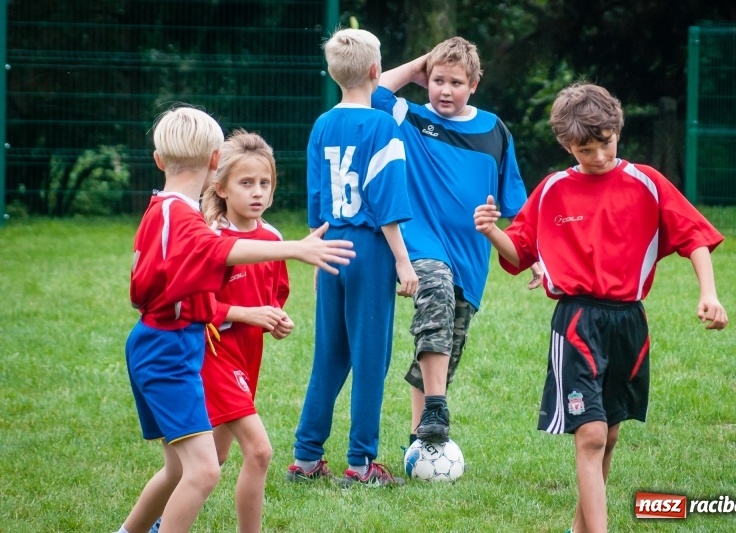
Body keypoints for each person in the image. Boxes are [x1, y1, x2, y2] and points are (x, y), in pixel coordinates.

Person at [474, 82, 729, 533]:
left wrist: (708, 292)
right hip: (576, 321)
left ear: (618, 131)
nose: (597, 156)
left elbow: (694, 237)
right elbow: (519, 251)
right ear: (566, 145)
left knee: (608, 434)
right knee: (589, 434)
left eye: (604, 144)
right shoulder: (553, 189)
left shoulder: (647, 182)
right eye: (584, 149)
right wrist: (492, 231)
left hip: (629, 322)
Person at [115, 106, 354, 533]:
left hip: (176, 342)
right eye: (247, 181)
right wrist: (295, 249)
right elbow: (220, 250)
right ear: (214, 164)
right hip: (173, 346)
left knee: (184, 468)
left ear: (157, 159)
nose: (258, 191)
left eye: (265, 183)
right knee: (209, 469)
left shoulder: (169, 209)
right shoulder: (180, 216)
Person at [372, 37, 528, 445]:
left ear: (474, 84)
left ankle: (419, 438)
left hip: (471, 259)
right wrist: (420, 61)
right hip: (420, 244)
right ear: (426, 81)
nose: (445, 90)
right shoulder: (411, 117)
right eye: (437, 80)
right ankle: (438, 406)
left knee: (446, 344)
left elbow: (517, 209)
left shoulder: (495, 131)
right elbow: (371, 92)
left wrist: (539, 259)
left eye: (456, 82)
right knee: (436, 292)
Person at [287, 28, 417, 487]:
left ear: (331, 74)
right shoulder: (384, 125)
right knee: (370, 359)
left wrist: (315, 254)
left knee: (329, 355)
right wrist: (402, 261)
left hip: (330, 246)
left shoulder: (322, 124)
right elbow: (386, 200)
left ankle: (305, 459)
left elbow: (317, 198)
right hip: (369, 252)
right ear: (375, 72)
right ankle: (361, 465)